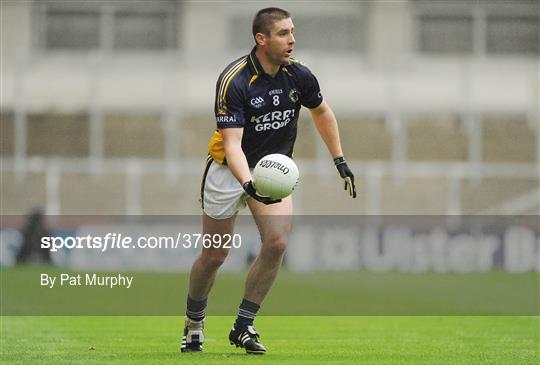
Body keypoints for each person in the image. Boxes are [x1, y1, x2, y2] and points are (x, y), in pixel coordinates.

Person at [181, 7, 356, 355]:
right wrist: (247, 184)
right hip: (228, 172)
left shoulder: (298, 75)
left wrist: (339, 158)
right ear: (262, 39)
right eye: (283, 33)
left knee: (276, 243)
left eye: (292, 31)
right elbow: (231, 145)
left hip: (273, 172)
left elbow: (322, 111)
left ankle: (244, 326)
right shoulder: (236, 80)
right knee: (215, 255)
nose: (292, 39)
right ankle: (194, 321)